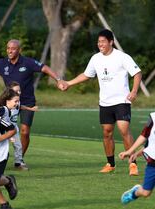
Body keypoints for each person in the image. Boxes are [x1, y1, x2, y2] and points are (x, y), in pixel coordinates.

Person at [0, 39, 63, 167]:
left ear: (19, 50)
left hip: (27, 102)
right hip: (7, 104)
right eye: (8, 48)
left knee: (24, 131)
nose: (10, 51)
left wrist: (58, 80)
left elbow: (44, 68)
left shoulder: (28, 62)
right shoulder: (2, 64)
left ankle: (19, 160)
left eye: (13, 48)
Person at [60, 29, 141, 176]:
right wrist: (69, 83)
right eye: (98, 42)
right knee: (107, 133)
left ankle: (133, 163)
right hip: (104, 102)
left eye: (103, 41)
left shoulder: (122, 57)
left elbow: (137, 73)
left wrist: (134, 91)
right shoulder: (96, 58)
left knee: (124, 130)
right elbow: (86, 75)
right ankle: (110, 164)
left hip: (122, 100)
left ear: (111, 42)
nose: (100, 44)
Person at [119, 112, 155, 204]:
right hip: (153, 161)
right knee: (146, 192)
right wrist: (131, 151)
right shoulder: (153, 117)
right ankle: (135, 192)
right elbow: (145, 136)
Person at [0, 88, 26, 171]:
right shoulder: (3, 109)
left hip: (4, 134)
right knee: (1, 153)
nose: (17, 103)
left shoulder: (8, 110)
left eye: (18, 101)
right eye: (15, 101)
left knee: (5, 153)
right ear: (8, 101)